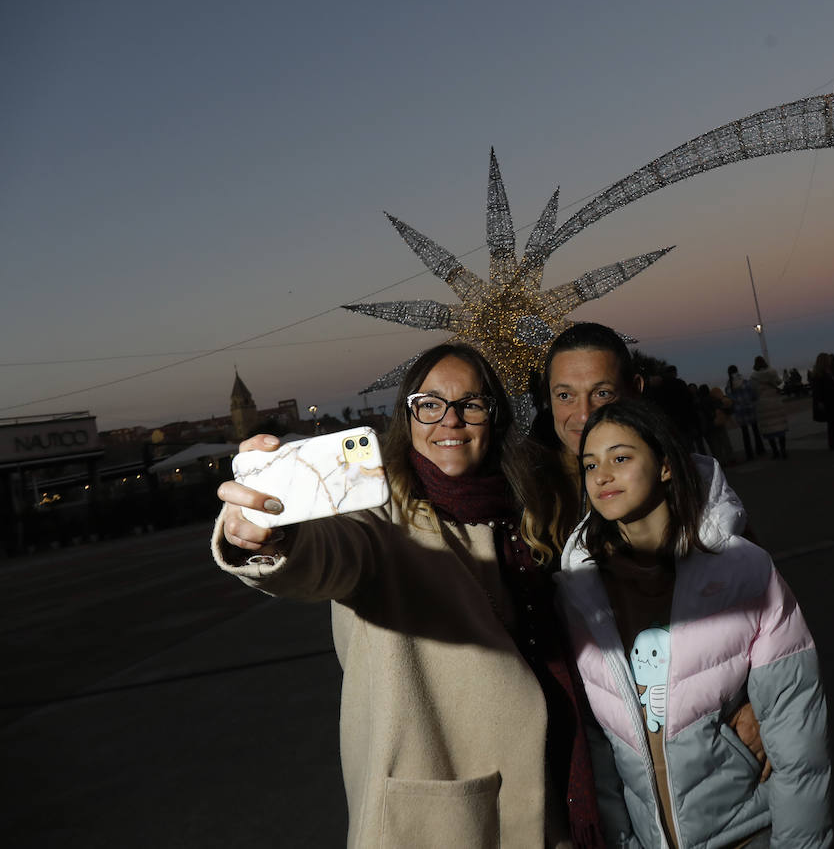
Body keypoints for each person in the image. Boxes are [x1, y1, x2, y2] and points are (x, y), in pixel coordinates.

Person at [212, 342, 602, 848]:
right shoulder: (382, 519)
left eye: (471, 404)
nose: (450, 421)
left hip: (552, 797)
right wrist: (270, 537)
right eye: (430, 404)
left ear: (494, 417)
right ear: (409, 416)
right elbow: (330, 555)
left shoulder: (526, 509)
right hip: (441, 819)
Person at [559, 400, 833, 848]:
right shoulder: (578, 592)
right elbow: (598, 750)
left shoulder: (743, 571)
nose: (601, 475)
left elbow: (799, 739)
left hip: (747, 833)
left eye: (621, 458)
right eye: (590, 464)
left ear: (665, 466)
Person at [750, 355, 789, 459]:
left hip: (763, 404)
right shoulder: (772, 372)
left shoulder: (753, 377)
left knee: (769, 429)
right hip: (775, 401)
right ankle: (783, 451)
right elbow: (780, 382)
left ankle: (775, 452)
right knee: (780, 426)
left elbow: (753, 391)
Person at [725, 364, 764, 460]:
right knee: (755, 430)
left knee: (745, 433)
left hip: (739, 411)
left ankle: (749, 453)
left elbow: (730, 400)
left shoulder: (729, 385)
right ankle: (760, 449)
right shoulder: (744, 381)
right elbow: (753, 393)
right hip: (750, 408)